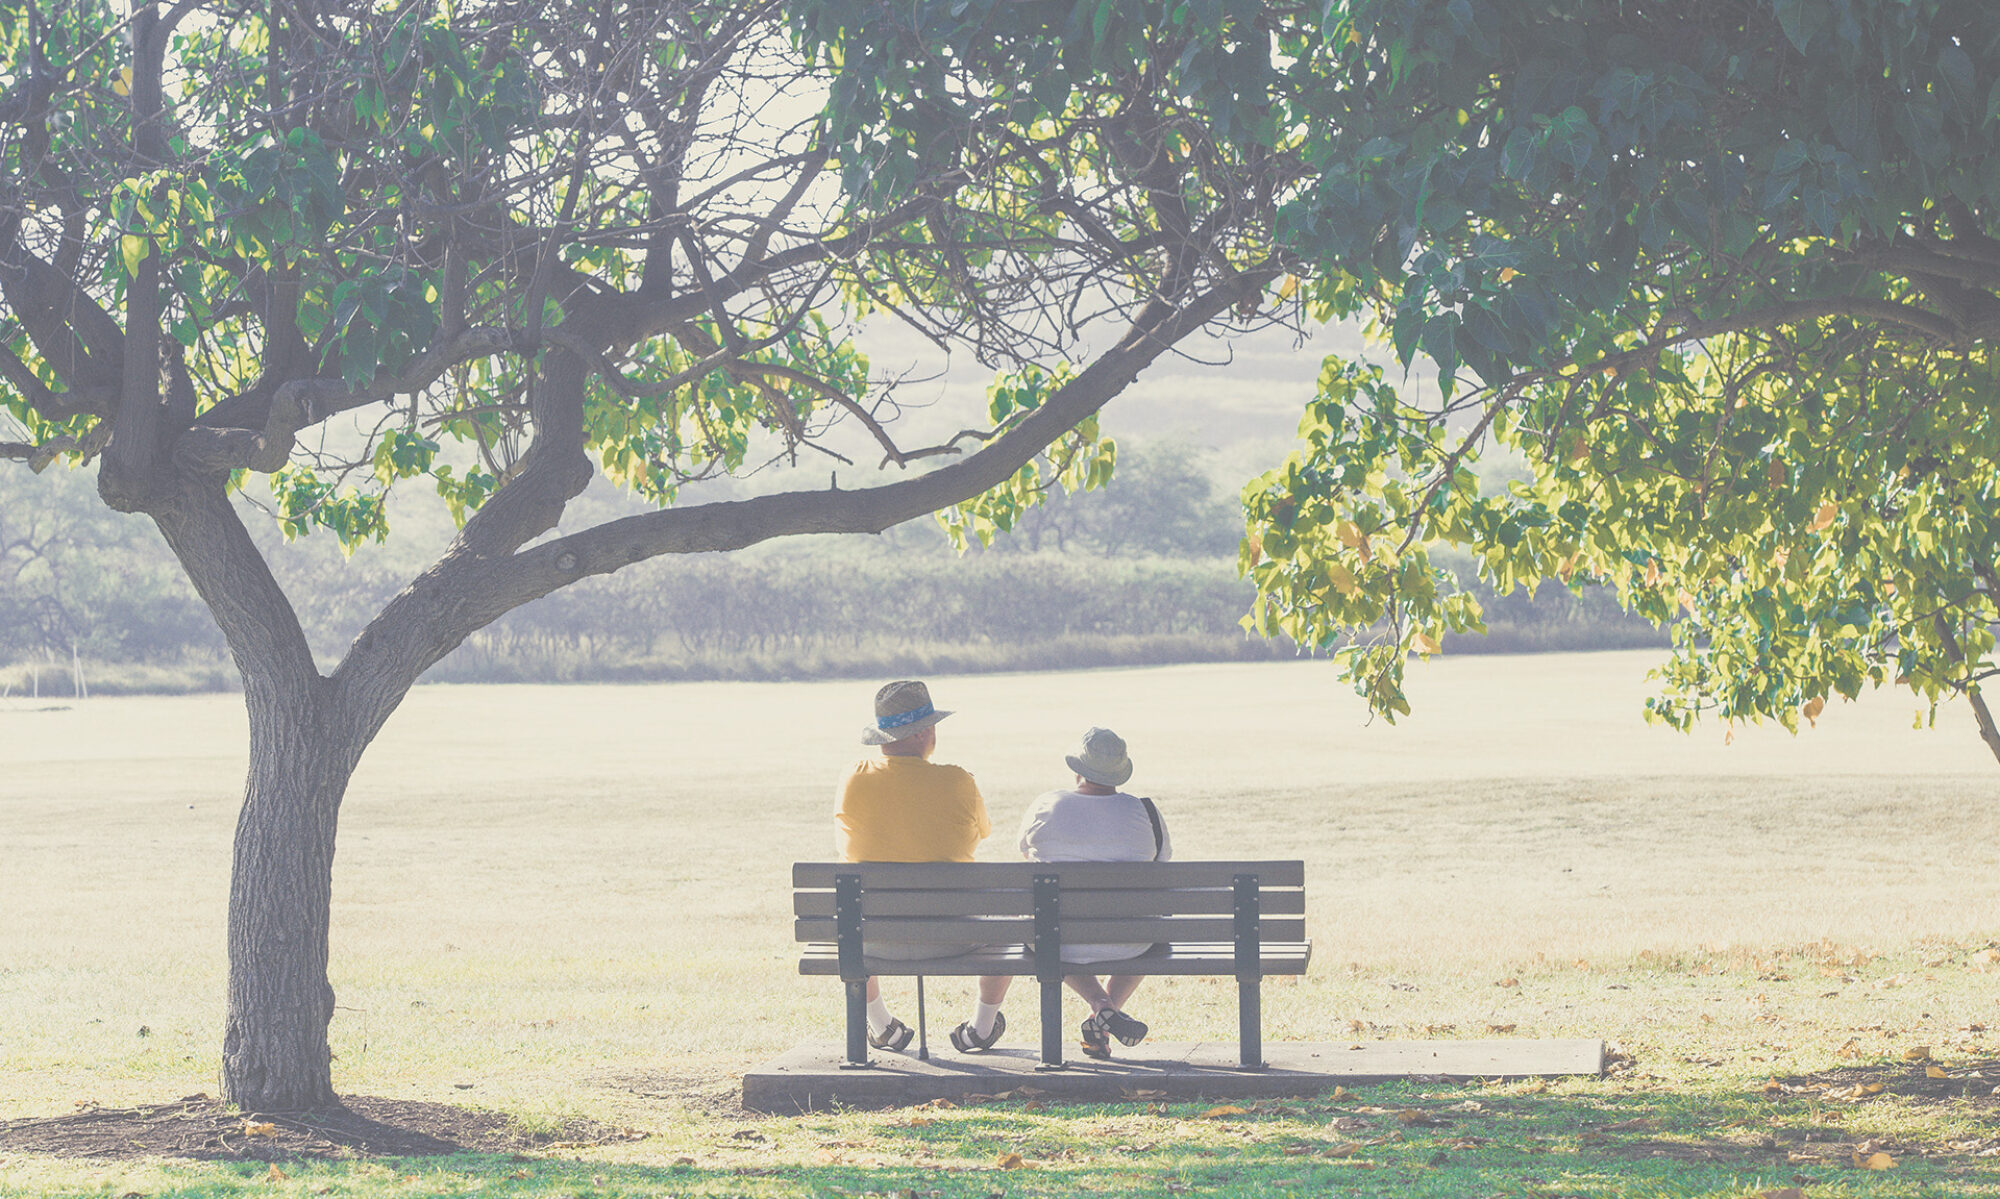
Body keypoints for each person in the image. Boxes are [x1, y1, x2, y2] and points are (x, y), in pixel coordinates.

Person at [834, 679, 1010, 1054]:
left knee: (850, 918)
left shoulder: (853, 778)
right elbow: (983, 832)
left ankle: (881, 1025)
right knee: (1011, 923)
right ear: (922, 733)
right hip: (953, 937)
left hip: (872, 938)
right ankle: (981, 1028)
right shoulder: (957, 781)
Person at [1014, 726, 1170, 1059]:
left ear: (1078, 769)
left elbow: (1026, 854)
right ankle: (1103, 1014)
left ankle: (1101, 1004)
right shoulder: (1145, 811)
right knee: (1154, 928)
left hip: (1055, 936)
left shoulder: (1046, 804)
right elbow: (1160, 864)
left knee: (1055, 929)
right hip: (1132, 939)